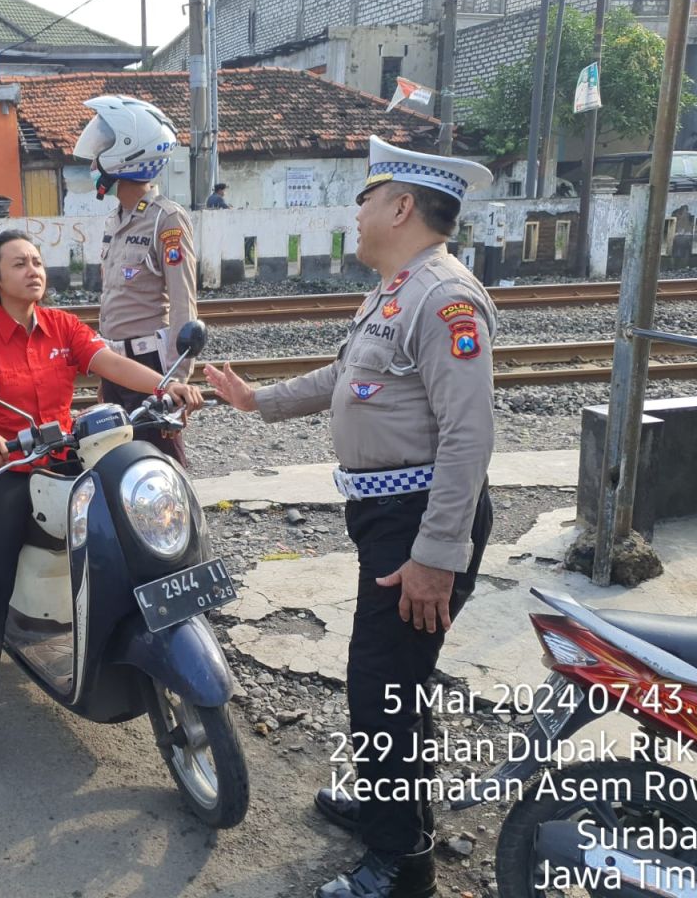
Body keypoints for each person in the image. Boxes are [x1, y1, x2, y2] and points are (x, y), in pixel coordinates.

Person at [205, 136, 497, 898]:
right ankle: (386, 810)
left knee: (380, 690)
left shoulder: (446, 298)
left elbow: (470, 433)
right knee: (394, 684)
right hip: (388, 518)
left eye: (366, 197)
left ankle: (401, 865)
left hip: (419, 523)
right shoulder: (397, 291)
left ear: (401, 206)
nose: (357, 212)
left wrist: (438, 555)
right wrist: (257, 401)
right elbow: (346, 374)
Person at [0, 229, 204, 778]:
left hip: (64, 454)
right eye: (19, 263)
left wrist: (165, 386)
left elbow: (107, 362)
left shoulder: (61, 325)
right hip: (6, 466)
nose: (33, 269)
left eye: (37, 261)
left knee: (130, 527)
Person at [73, 95, 198, 466]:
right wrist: (104, 375)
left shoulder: (166, 220)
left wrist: (177, 380)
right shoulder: (116, 220)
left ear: (128, 152)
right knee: (112, 464)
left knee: (160, 465)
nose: (94, 160)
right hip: (115, 365)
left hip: (152, 368)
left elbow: (183, 303)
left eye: (103, 147)